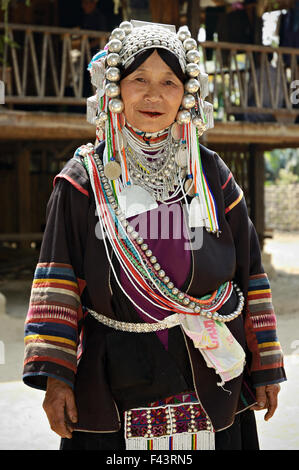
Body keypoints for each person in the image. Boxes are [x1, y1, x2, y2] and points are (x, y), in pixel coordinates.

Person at [23, 20, 286, 451]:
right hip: (114, 375)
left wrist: (268, 364)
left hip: (211, 368)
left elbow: (251, 273)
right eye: (138, 80)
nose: (154, 94)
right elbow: (58, 282)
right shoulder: (83, 181)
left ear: (185, 95)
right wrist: (56, 378)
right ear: (115, 91)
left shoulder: (212, 174)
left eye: (169, 82)